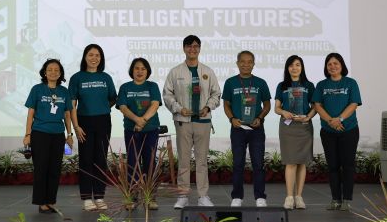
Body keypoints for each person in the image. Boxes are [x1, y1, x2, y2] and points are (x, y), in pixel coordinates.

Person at [163, 35, 221, 209]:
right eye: (189, 46)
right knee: (184, 160)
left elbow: (216, 94)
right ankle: (183, 196)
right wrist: (179, 108)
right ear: (184, 48)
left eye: (196, 46)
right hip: (183, 121)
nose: (192, 49)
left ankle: (203, 196)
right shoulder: (175, 72)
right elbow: (167, 95)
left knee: (202, 160)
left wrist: (208, 107)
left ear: (200, 48)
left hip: (203, 121)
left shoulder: (208, 71)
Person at [69, 44, 117, 211]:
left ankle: (99, 196)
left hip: (103, 121)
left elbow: (112, 98)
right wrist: (76, 126)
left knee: (101, 159)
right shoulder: (77, 78)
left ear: (101, 58)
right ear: (84, 57)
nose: (94, 58)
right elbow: (72, 105)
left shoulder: (106, 78)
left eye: (97, 55)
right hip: (83, 122)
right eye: (91, 55)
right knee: (86, 159)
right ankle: (86, 198)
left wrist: (102, 107)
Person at [312, 53, 362, 211]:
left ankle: (347, 200)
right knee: (332, 166)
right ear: (326, 68)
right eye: (329, 64)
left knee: (347, 165)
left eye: (335, 63)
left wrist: (339, 119)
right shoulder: (321, 85)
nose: (332, 66)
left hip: (349, 130)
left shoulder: (351, 83)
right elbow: (317, 106)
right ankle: (335, 199)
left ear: (341, 65)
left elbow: (354, 104)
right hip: (328, 131)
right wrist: (330, 121)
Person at [23, 59, 74, 214]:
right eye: (50, 69)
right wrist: (27, 134)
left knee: (54, 169)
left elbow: (67, 114)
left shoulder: (64, 92)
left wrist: (69, 134)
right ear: (45, 72)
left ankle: (51, 201)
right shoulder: (37, 89)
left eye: (56, 70)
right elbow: (31, 113)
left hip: (58, 134)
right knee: (41, 168)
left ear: (60, 73)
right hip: (40, 133)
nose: (53, 72)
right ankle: (41, 202)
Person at [223, 51, 271, 207]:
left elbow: (267, 104)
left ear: (253, 64)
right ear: (237, 63)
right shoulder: (230, 82)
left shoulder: (261, 82)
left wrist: (260, 118)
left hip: (256, 129)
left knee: (258, 164)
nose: (246, 64)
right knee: (238, 164)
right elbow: (226, 104)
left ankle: (260, 197)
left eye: (249, 61)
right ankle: (237, 196)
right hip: (238, 129)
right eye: (242, 61)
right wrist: (232, 119)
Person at [116, 57, 162, 210]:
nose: (140, 71)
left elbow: (155, 104)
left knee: (150, 162)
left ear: (147, 71)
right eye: (137, 68)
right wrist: (137, 120)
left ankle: (150, 197)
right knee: (132, 163)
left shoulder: (152, 86)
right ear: (132, 71)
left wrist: (143, 121)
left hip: (151, 130)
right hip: (131, 130)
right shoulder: (125, 87)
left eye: (143, 68)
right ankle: (133, 197)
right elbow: (122, 107)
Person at [274, 55, 316, 210]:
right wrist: (283, 112)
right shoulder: (282, 85)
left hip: (304, 126)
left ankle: (299, 196)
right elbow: (276, 108)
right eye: (291, 65)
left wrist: (308, 117)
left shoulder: (309, 85)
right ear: (287, 68)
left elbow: (315, 106)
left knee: (302, 162)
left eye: (297, 65)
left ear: (302, 67)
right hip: (288, 126)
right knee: (291, 161)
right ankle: (289, 197)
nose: (294, 68)